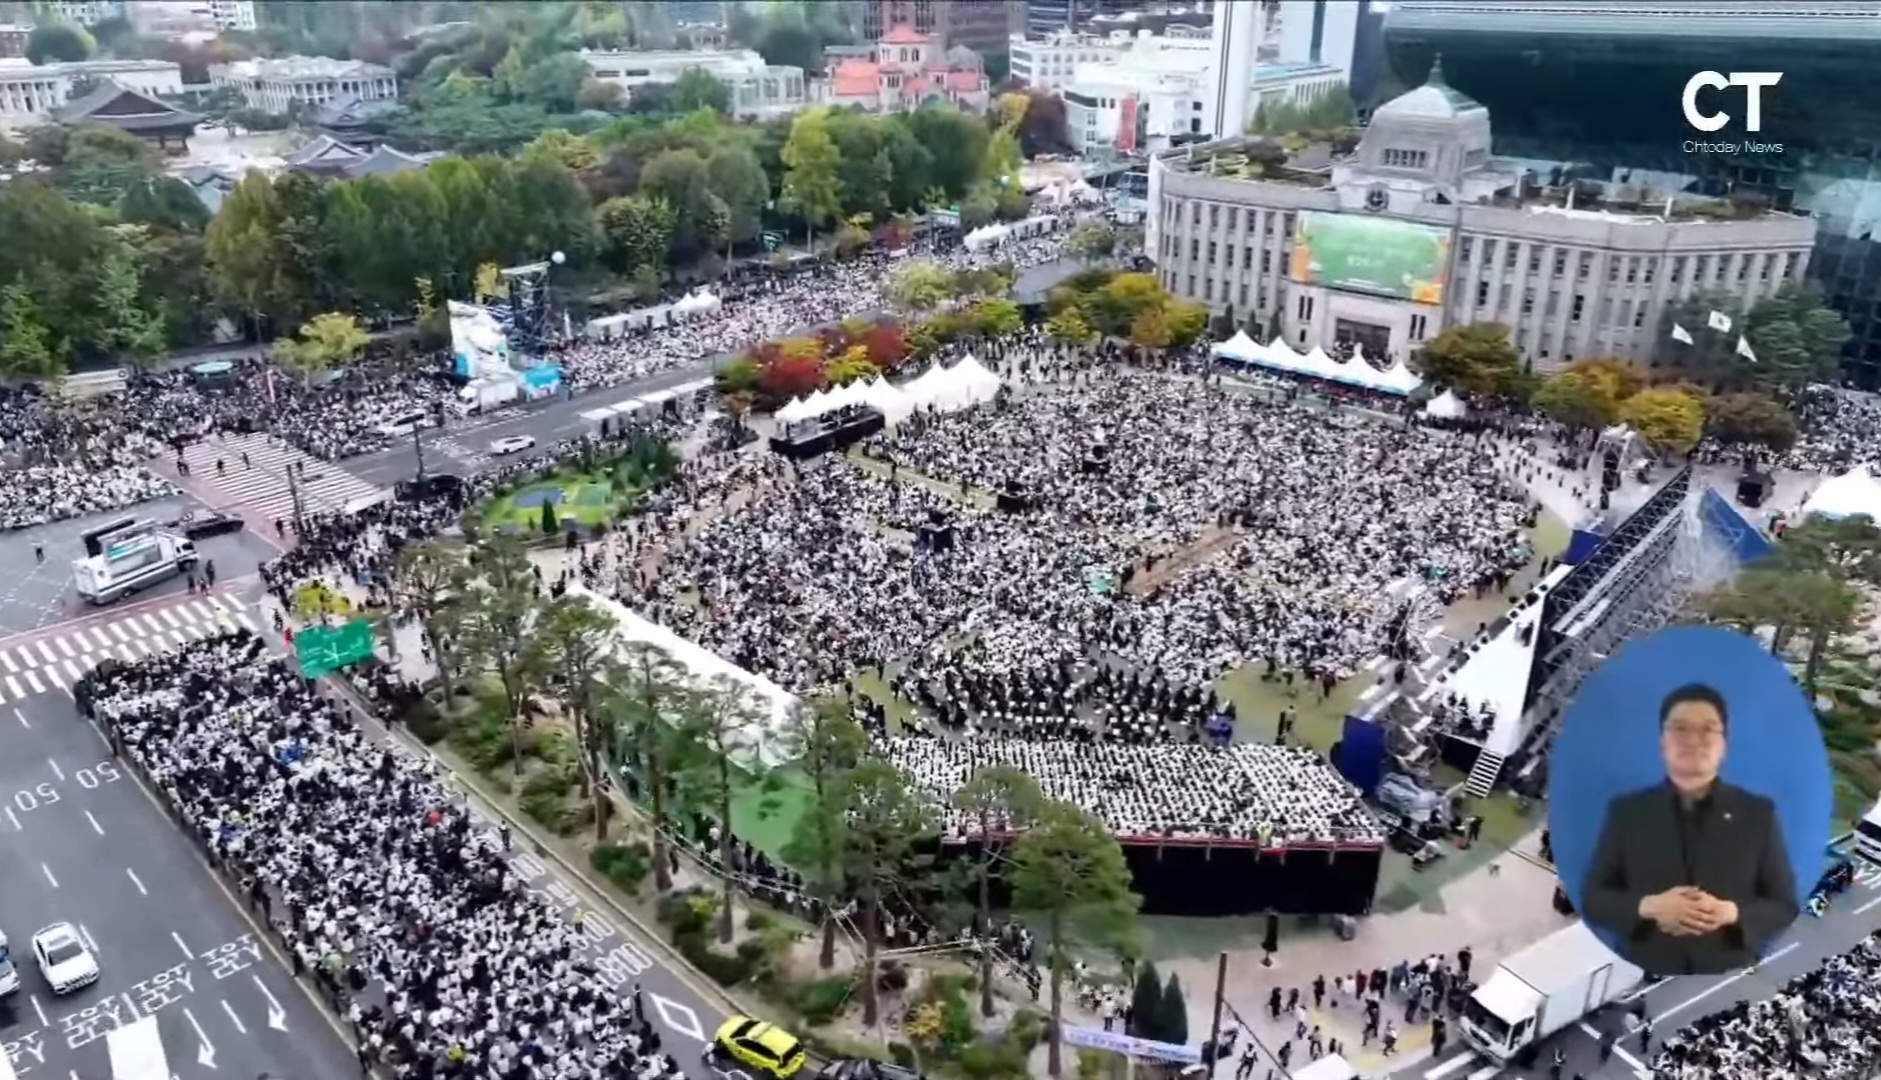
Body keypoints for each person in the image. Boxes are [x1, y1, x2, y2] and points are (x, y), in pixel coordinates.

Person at [1580, 683, 1799, 974]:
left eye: (1708, 729)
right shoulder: (1627, 812)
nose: (1694, 739)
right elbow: (1594, 898)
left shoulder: (1758, 814)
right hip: (1642, 968)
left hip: (1727, 970)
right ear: (1662, 740)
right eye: (1680, 728)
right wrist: (1649, 907)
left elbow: (1783, 905)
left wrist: (1730, 913)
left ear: (1725, 744)